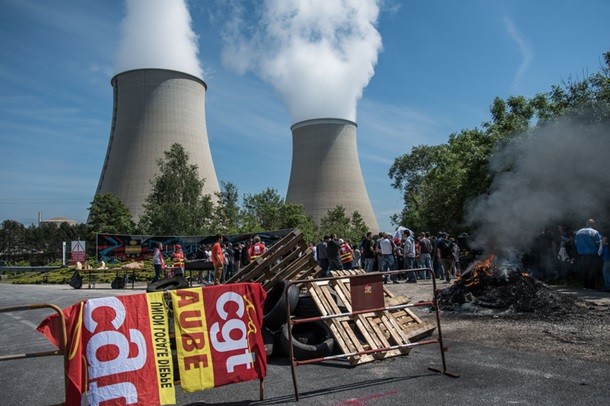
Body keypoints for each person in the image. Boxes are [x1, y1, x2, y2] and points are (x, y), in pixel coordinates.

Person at [575, 219, 603, 289]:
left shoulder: (579, 232)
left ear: (586, 223)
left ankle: (585, 286)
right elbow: (599, 243)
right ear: (593, 224)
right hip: (592, 253)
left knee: (585, 270)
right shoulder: (594, 232)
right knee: (592, 270)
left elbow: (576, 243)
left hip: (582, 253)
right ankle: (591, 286)